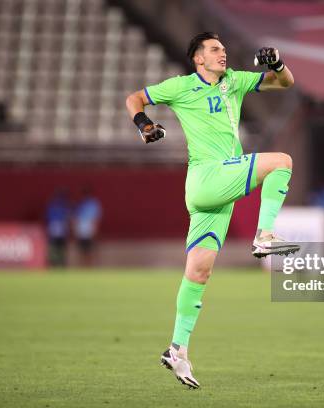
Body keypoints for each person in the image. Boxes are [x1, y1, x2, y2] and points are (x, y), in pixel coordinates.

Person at [125, 32, 299, 389]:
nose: (223, 54)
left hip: (213, 191)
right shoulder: (181, 86)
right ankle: (265, 236)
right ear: (198, 59)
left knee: (198, 273)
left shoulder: (233, 81)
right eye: (215, 50)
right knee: (282, 161)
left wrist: (277, 63)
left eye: (223, 48)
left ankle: (178, 349)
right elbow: (135, 98)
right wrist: (143, 124)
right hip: (208, 174)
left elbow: (285, 83)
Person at [73, 186, 102, 266]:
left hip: (89, 230)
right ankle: (84, 267)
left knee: (90, 251)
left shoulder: (93, 204)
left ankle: (90, 266)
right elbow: (76, 219)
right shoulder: (80, 205)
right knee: (82, 251)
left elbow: (96, 219)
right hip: (82, 231)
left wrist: (95, 230)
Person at [45, 189, 71, 267]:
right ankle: (60, 263)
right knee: (59, 249)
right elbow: (67, 219)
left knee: (55, 249)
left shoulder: (52, 205)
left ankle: (54, 263)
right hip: (60, 232)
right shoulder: (64, 206)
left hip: (54, 231)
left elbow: (47, 219)